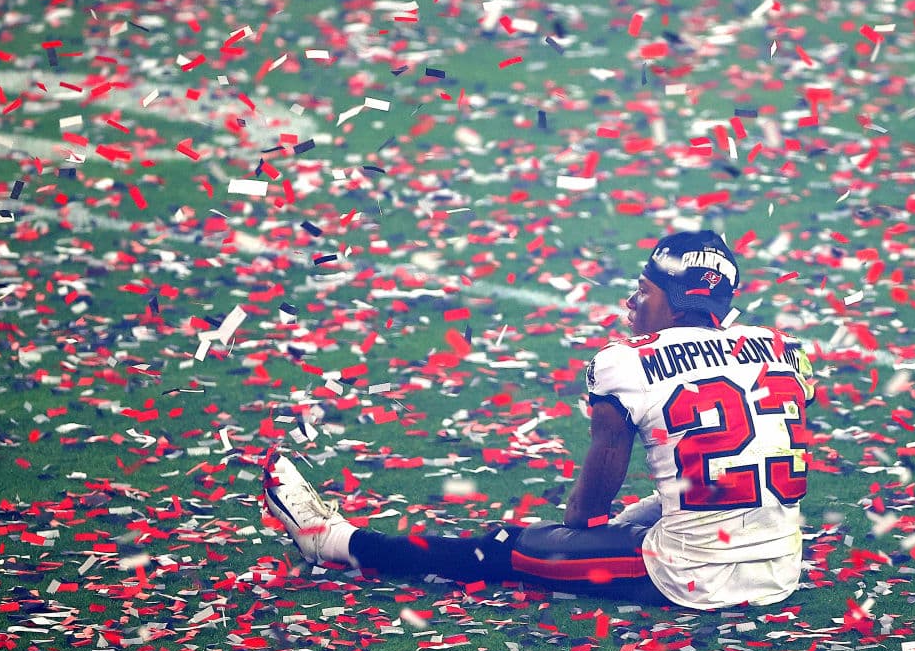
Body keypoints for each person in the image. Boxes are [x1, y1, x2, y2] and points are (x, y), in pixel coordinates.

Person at [263, 230, 815, 609]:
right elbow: (755, 454)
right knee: (652, 516)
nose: (630, 301)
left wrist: (595, 528)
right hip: (779, 569)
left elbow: (587, 514)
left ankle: (330, 541)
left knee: (506, 547)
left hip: (692, 576)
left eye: (643, 290)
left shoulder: (627, 361)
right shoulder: (781, 347)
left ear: (674, 299)